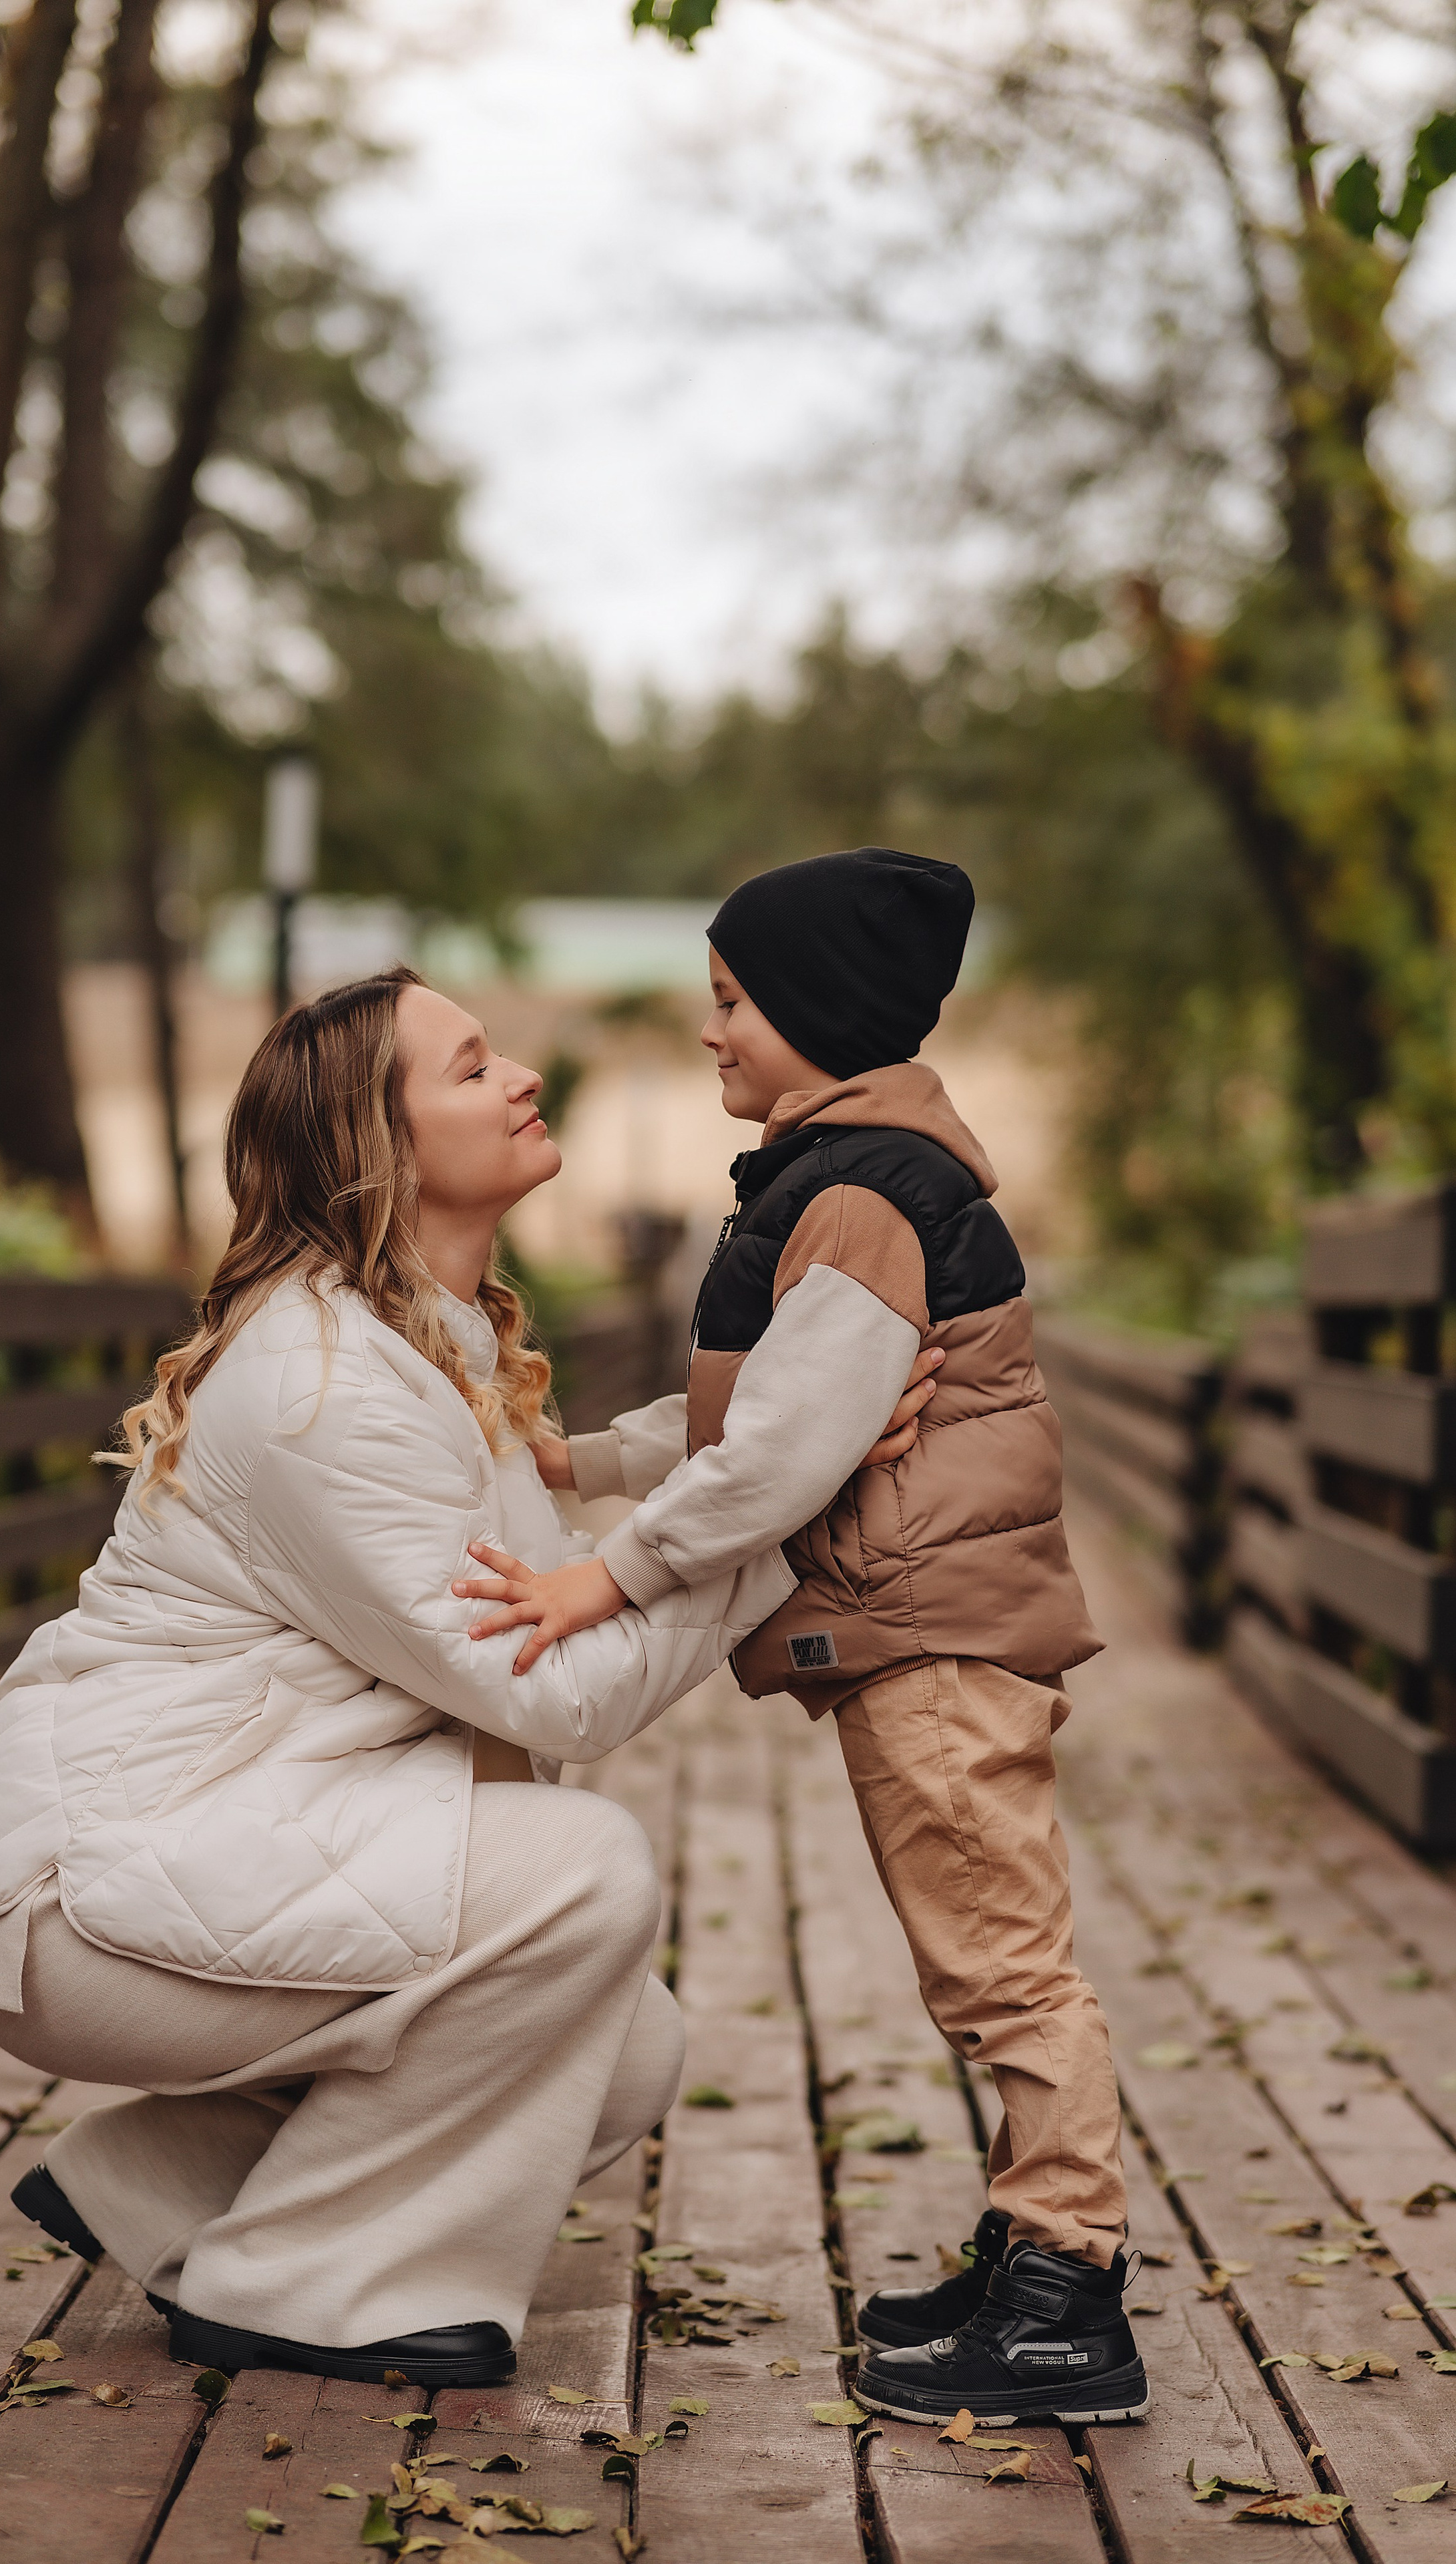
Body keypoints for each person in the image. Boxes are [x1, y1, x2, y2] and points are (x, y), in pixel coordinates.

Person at [0, 964, 931, 2389]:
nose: (522, 1076)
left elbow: (553, 1611)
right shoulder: (324, 1383)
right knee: (584, 1873)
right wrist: (782, 1505)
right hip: (88, 1888)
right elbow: (552, 1690)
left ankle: (161, 2185)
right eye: (470, 1067)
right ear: (377, 1146)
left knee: (622, 2045)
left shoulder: (431, 1342)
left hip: (218, 1837)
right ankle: (296, 2287)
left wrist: (773, 1453)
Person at [456, 849, 1147, 2429]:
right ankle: (1029, 2245)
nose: (711, 1030)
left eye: (733, 1000)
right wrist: (592, 1458)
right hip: (924, 1620)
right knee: (980, 1950)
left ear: (817, 1010)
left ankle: (1066, 2292)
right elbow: (756, 1404)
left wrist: (602, 1577)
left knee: (1000, 1961)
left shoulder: (853, 1199)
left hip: (934, 1630)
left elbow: (777, 1455)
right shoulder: (845, 1180)